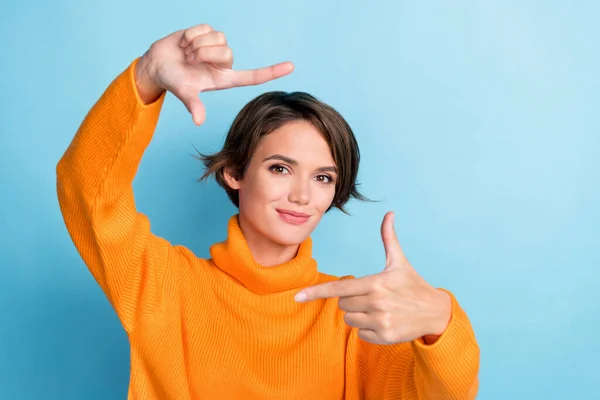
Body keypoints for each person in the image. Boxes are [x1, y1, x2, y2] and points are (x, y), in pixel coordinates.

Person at [56, 23, 480, 399]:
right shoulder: (164, 284)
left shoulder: (357, 312)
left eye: (323, 178)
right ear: (235, 172)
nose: (302, 195)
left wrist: (441, 321)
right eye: (281, 168)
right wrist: (147, 75)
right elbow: (86, 188)